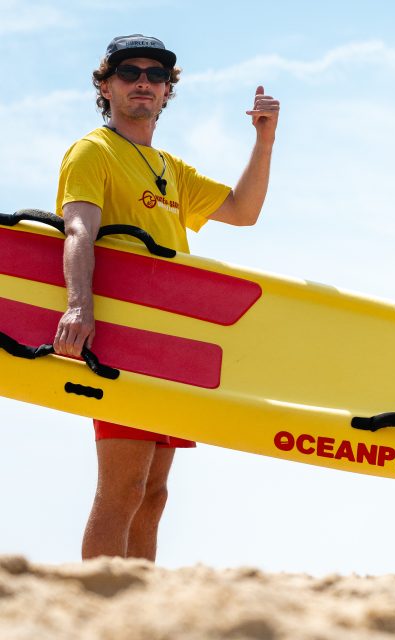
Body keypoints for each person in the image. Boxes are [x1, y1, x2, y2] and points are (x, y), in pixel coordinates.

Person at [53, 34, 280, 562]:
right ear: (106, 85)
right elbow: (78, 231)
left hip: (171, 344)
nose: (143, 83)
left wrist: (264, 141)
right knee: (124, 488)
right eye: (129, 72)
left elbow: (243, 211)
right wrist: (77, 306)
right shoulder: (93, 151)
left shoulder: (169, 169)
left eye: (155, 76)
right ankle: (97, 605)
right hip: (122, 337)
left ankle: (139, 605)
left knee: (153, 494)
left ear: (166, 92)